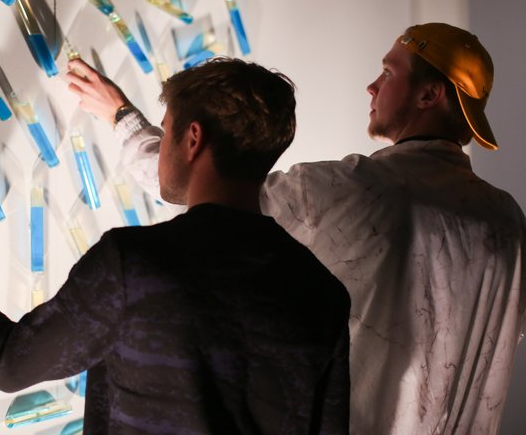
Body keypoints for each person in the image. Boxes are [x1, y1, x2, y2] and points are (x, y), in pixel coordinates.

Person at [66, 22, 526, 435]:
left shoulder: (355, 189)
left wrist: (122, 118)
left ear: (429, 96)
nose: (372, 86)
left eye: (388, 73)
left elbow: (206, 188)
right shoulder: (506, 220)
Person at [0, 57, 352, 435]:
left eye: (168, 131)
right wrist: (120, 114)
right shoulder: (322, 294)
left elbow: (8, 363)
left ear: (193, 139)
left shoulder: (137, 267)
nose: (161, 151)